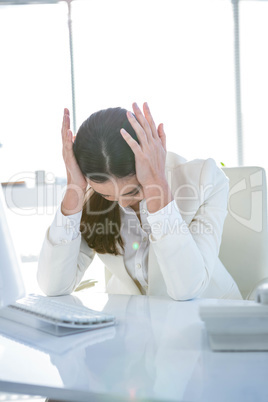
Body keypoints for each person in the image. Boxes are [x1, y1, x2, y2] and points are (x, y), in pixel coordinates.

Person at [37, 102, 242, 300]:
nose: (123, 204)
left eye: (134, 190)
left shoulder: (204, 179)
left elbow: (188, 289)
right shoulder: (90, 199)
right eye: (107, 195)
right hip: (137, 323)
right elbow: (54, 287)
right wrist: (74, 189)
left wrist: (156, 186)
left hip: (214, 320)